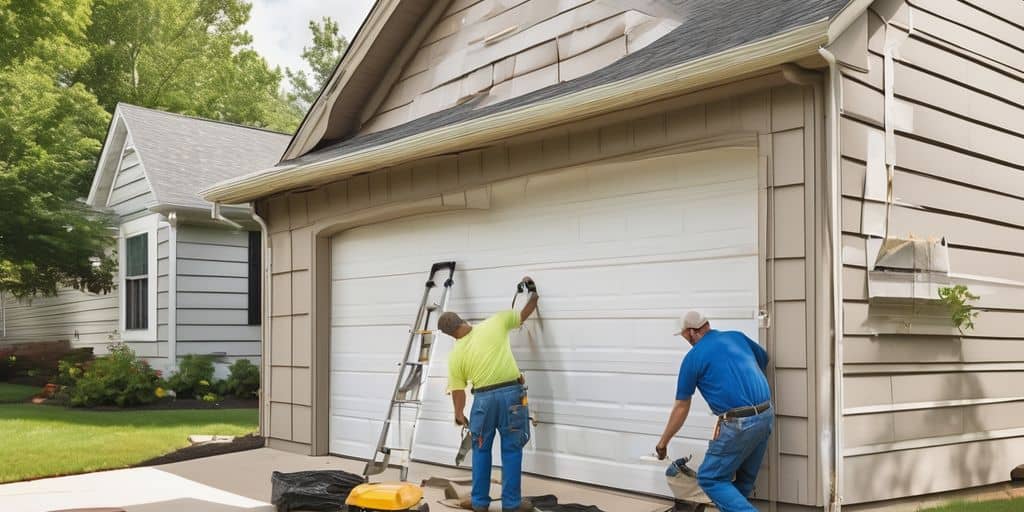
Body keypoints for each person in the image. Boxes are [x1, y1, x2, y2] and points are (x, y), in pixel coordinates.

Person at [656, 311, 773, 512]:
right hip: (765, 415)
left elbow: (681, 407)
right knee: (742, 482)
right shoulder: (736, 337)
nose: (685, 339)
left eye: (684, 335)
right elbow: (764, 358)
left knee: (710, 478)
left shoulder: (693, 358)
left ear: (692, 332)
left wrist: (663, 443)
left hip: (738, 424)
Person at [441, 277, 539, 512]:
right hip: (511, 397)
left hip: (483, 402)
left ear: (450, 334)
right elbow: (527, 310)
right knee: (512, 449)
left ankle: (480, 503)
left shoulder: (455, 356)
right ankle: (512, 504)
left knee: (481, 450)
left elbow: (458, 391)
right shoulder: (495, 322)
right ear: (462, 320)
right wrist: (532, 291)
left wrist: (458, 414)